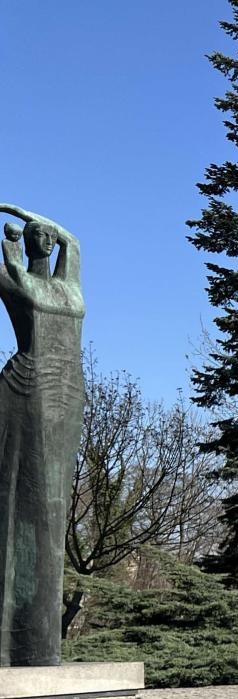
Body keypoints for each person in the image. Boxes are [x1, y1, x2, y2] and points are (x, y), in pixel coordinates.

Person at [0, 204, 86, 667]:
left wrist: (23, 211)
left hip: (68, 391)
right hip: (27, 390)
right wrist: (13, 238)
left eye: (49, 235)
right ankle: (20, 645)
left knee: (52, 513)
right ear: (24, 243)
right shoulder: (14, 277)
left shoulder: (69, 286)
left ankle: (38, 645)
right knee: (28, 509)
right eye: (39, 236)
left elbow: (75, 243)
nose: (47, 240)